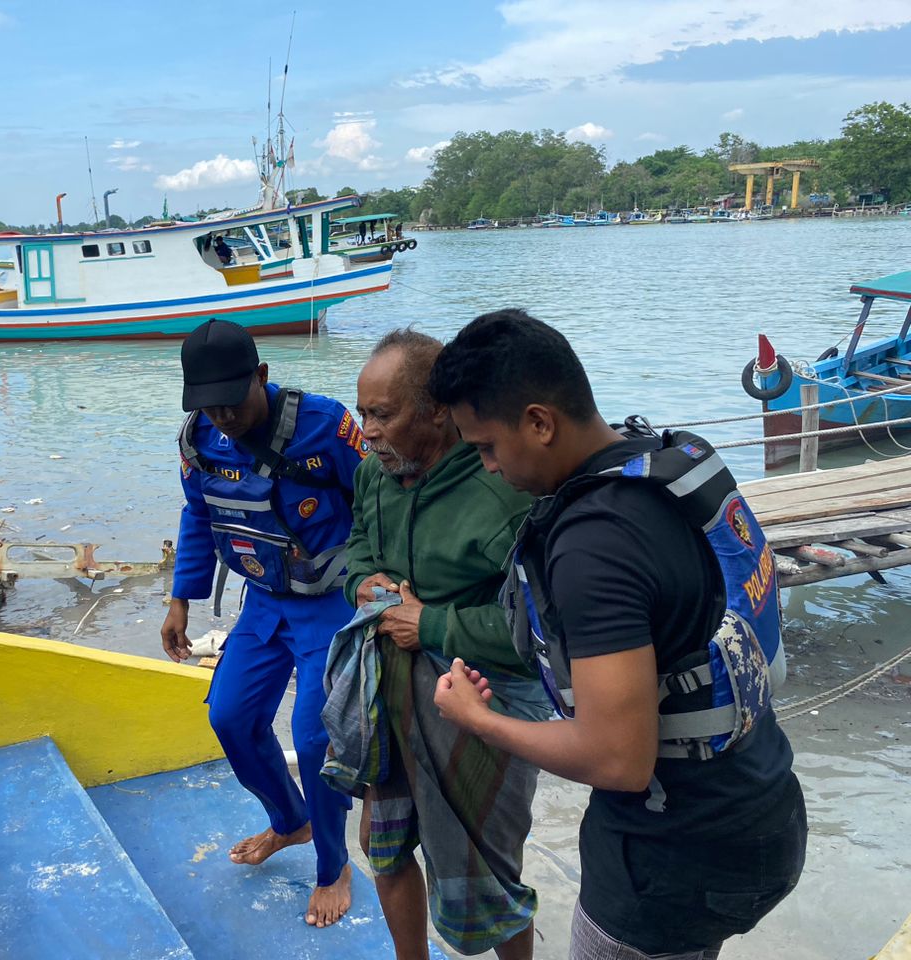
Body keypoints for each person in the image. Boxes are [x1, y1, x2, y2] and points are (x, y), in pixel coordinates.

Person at [428, 309, 807, 959]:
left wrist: (479, 719)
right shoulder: (666, 461)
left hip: (668, 863)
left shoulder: (594, 548)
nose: (487, 467)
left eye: (486, 446)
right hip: (764, 806)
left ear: (540, 422)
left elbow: (616, 760)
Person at [343, 328, 546, 960]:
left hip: (490, 701)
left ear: (437, 411)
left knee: (490, 871)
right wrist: (364, 585)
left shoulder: (501, 494)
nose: (368, 431)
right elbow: (357, 551)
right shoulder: (376, 476)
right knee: (386, 842)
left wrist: (427, 624)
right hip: (394, 690)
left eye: (383, 414)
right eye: (362, 413)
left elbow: (541, 636)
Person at [161, 319, 366, 928]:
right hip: (263, 602)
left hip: (332, 602)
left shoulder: (325, 425)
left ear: (263, 376)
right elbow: (198, 515)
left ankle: (334, 866)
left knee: (314, 739)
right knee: (229, 716)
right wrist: (181, 599)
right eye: (208, 403)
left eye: (232, 398)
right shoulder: (199, 439)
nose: (222, 414)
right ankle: (290, 822)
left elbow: (381, 502)